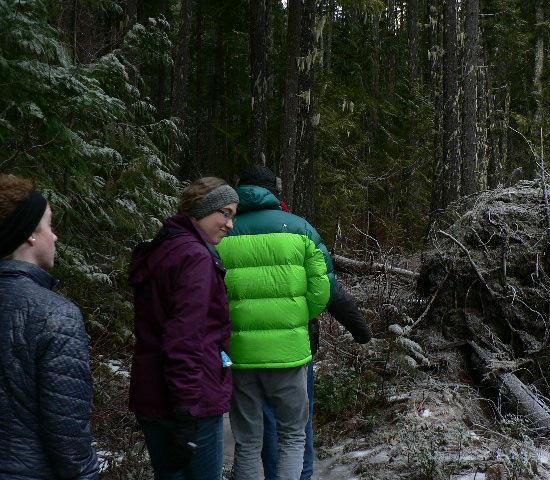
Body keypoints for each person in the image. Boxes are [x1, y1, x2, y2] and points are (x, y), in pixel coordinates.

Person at [216, 165, 335, 480]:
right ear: (275, 192)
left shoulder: (222, 232)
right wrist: (296, 318)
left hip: (239, 352)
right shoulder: (300, 229)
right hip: (289, 352)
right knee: (293, 435)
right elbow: (323, 288)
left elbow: (210, 293)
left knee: (247, 442)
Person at [129, 177, 239, 480]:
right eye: (225, 213)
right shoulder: (195, 258)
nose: (230, 224)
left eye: (233, 215)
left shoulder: (164, 247)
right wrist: (186, 409)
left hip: (154, 394)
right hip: (191, 400)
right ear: (202, 209)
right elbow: (185, 339)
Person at [0, 174, 99, 479]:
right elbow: (67, 433)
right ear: (30, 234)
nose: (54, 237)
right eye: (48, 225)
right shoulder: (55, 314)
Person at [262, 282, 372, 480]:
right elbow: (326, 285)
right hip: (295, 347)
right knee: (298, 420)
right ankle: (302, 476)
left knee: (265, 420)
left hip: (248, 352)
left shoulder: (231, 258)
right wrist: (360, 329)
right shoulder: (306, 258)